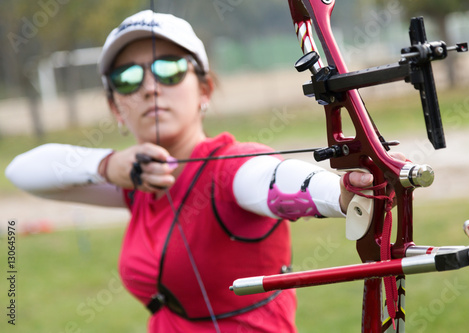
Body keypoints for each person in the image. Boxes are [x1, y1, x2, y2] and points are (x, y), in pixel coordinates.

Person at [5, 10, 378, 333]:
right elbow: (21, 171)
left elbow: (272, 180)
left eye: (168, 69)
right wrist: (108, 165)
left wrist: (340, 194)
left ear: (204, 89)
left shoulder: (231, 169)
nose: (150, 87)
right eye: (128, 78)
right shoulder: (134, 183)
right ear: (115, 108)